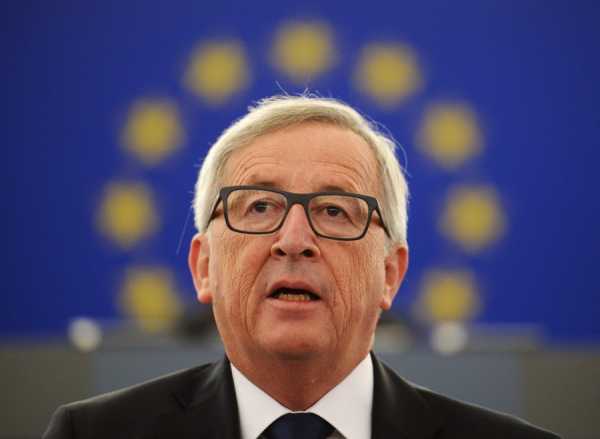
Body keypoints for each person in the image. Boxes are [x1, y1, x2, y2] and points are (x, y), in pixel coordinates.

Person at [44, 95, 560, 438]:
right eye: (259, 207)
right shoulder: (90, 435)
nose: (294, 241)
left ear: (390, 275)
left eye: (334, 211)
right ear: (204, 267)